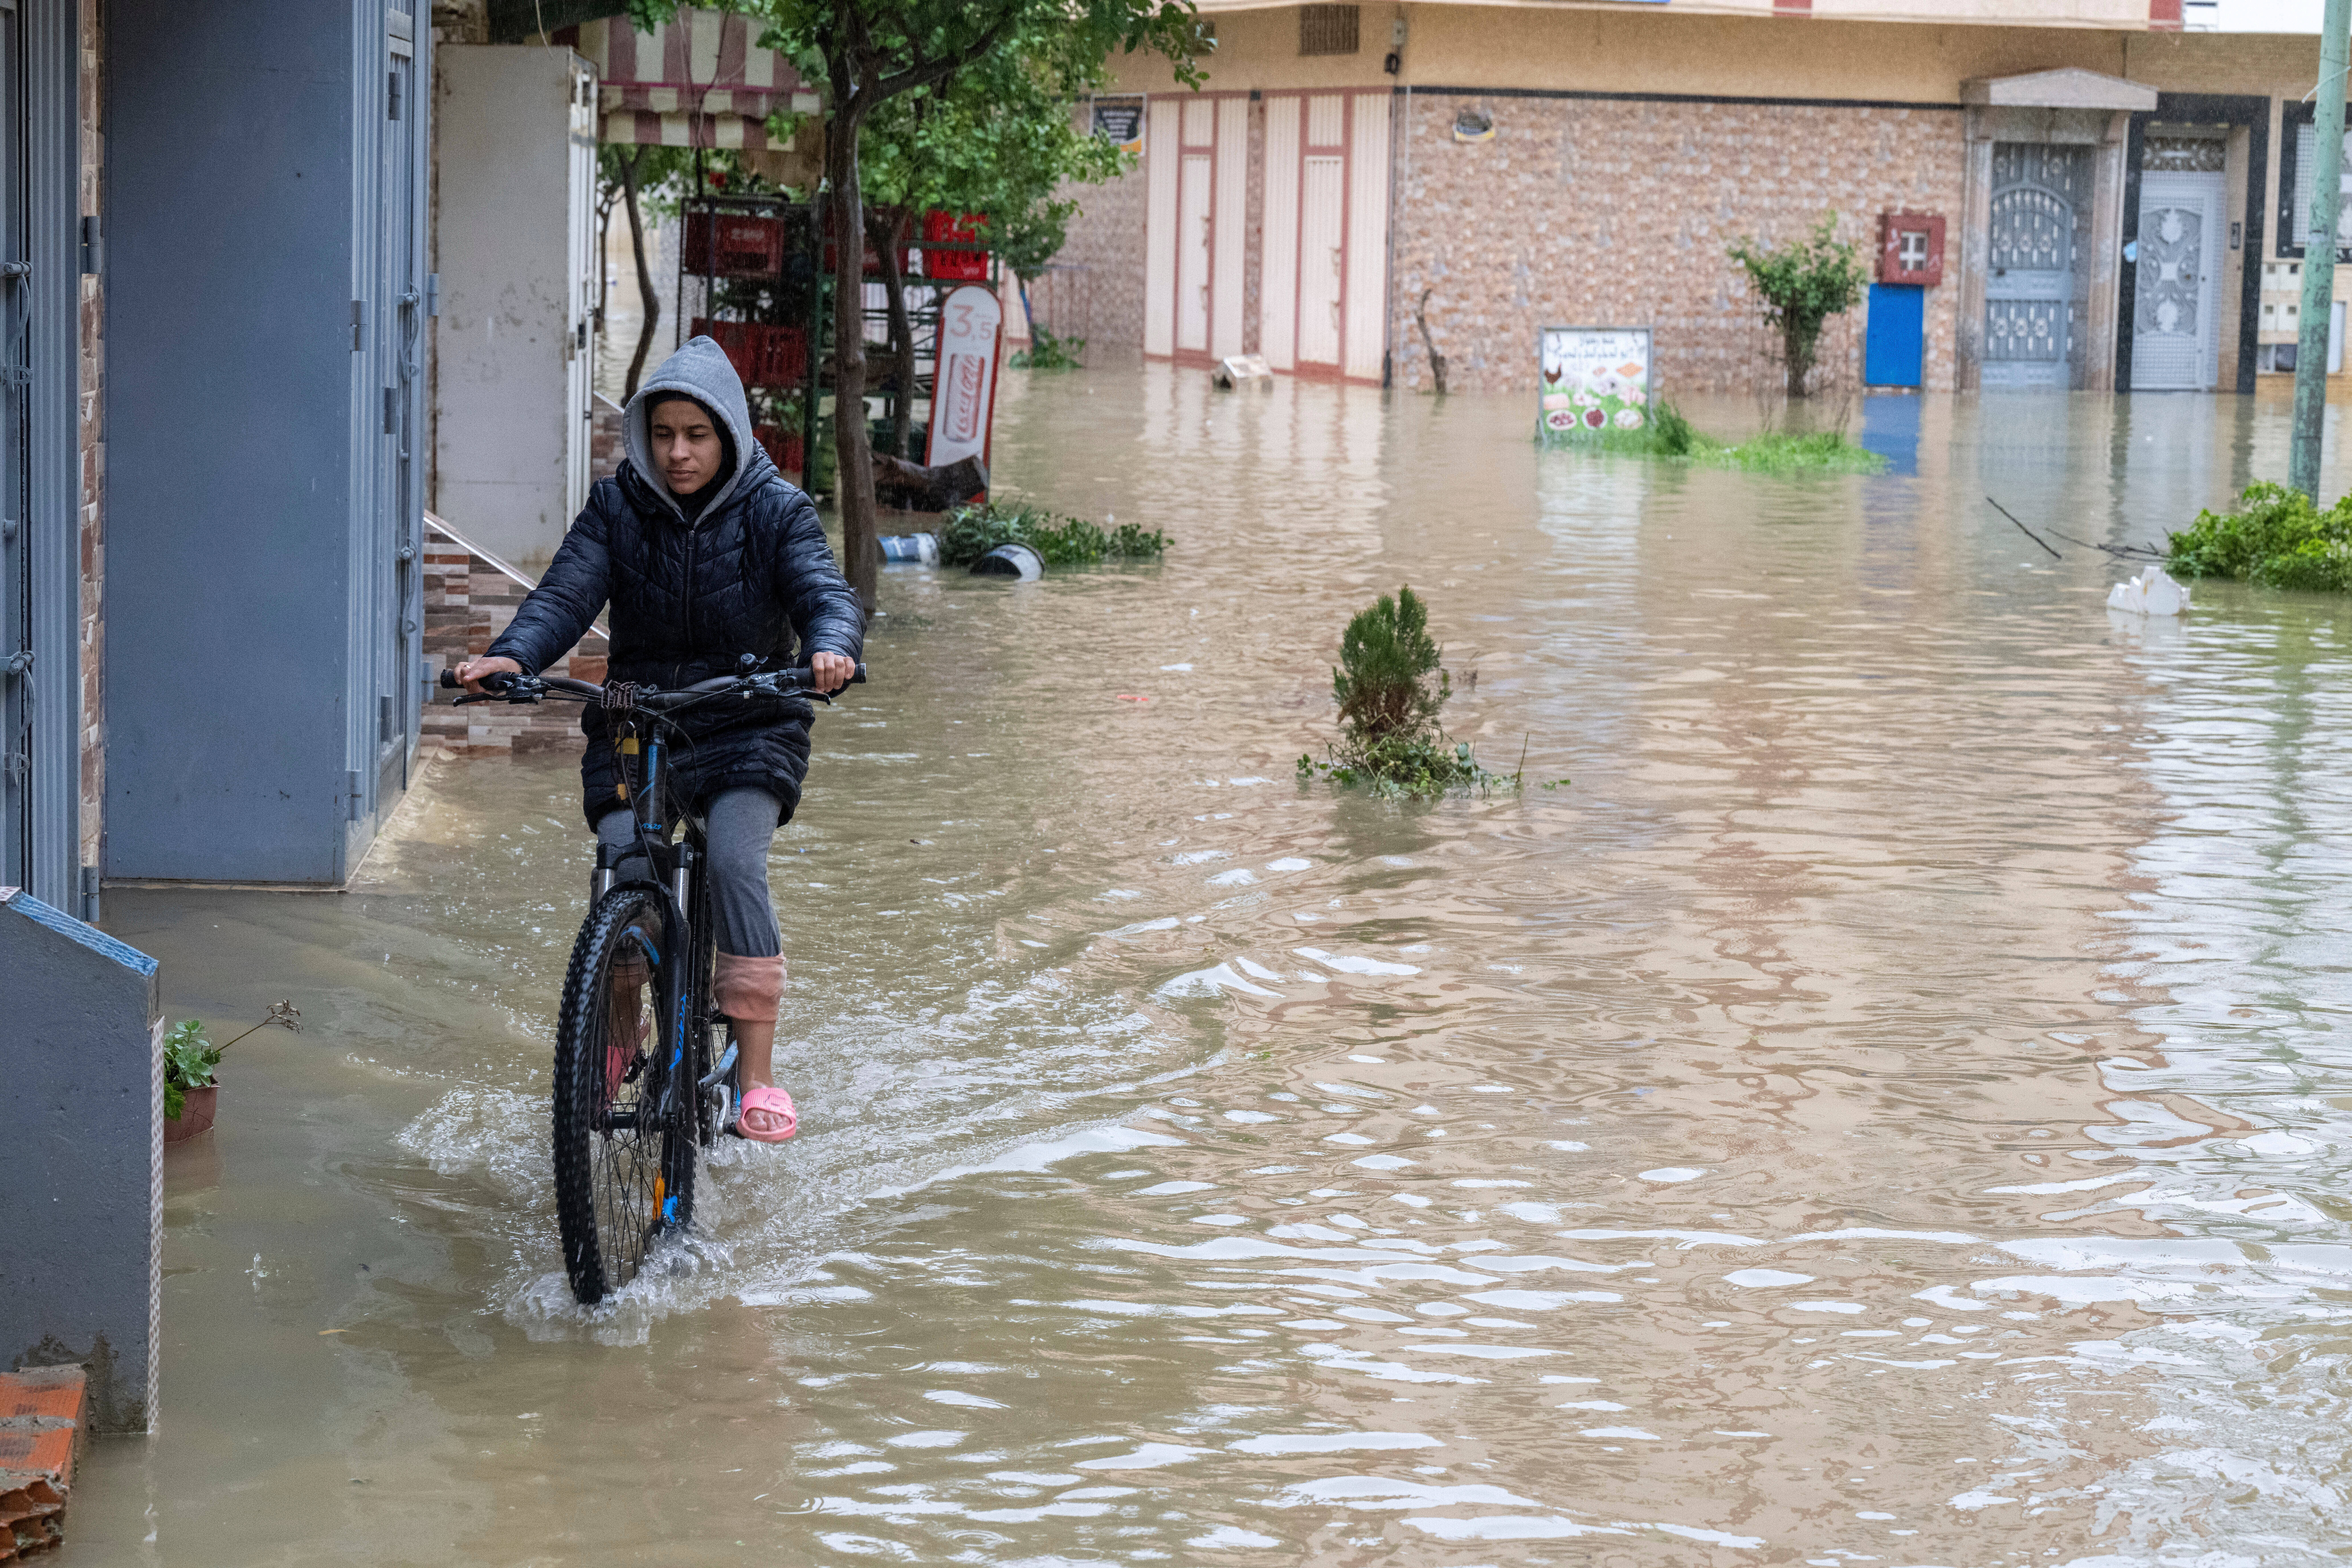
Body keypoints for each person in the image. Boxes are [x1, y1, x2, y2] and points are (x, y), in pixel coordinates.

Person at [455, 336, 861, 1143]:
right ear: (645, 435)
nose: (678, 453)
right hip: (638, 721)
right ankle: (617, 1035)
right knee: (622, 869)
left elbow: (824, 590)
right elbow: (566, 592)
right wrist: (515, 653)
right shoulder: (617, 507)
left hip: (749, 720)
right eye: (665, 434)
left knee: (737, 863)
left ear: (730, 437)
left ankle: (756, 1076)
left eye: (697, 436)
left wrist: (831, 646)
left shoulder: (779, 511)